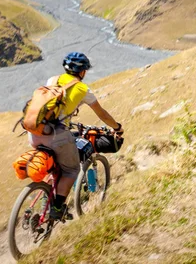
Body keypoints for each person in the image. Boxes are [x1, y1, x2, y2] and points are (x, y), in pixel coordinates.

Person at [28, 52, 124, 220]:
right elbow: (102, 114)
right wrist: (117, 127)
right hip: (57, 135)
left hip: (35, 132)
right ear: (83, 72)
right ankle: (56, 208)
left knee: (53, 166)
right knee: (71, 170)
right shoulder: (83, 89)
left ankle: (46, 199)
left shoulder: (53, 80)